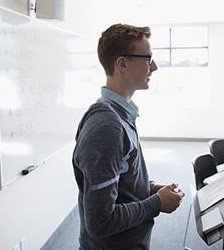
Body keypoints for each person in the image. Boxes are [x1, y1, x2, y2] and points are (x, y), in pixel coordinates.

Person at [72, 23, 185, 250]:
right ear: (122, 63)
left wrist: (148, 188)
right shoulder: (107, 127)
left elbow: (120, 182)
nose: (154, 66)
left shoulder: (120, 115)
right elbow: (100, 221)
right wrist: (157, 203)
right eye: (147, 58)